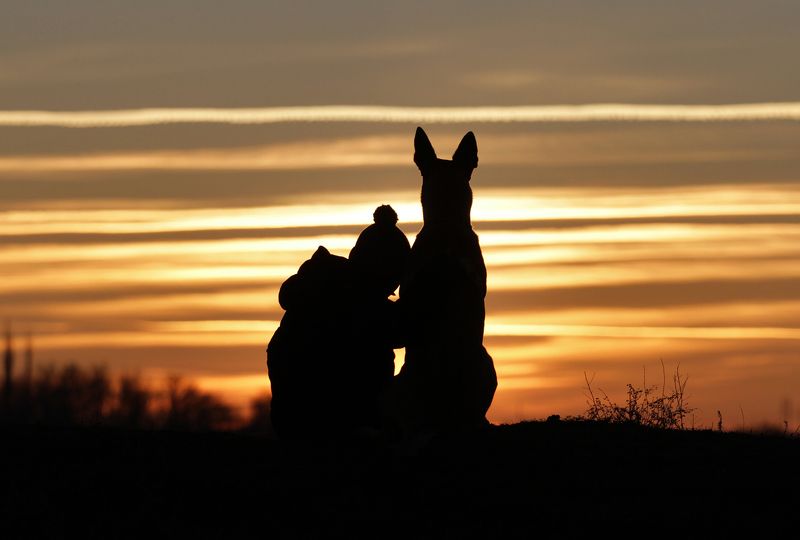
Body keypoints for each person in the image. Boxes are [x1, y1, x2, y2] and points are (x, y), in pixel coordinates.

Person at [266, 205, 410, 438]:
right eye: (393, 281)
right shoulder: (360, 303)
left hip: (293, 422)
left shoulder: (322, 286)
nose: (391, 290)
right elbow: (403, 329)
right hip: (334, 427)